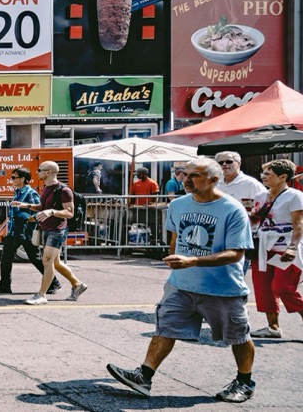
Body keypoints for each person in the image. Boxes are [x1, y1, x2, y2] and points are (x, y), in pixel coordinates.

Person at [106, 157, 257, 403]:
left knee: (237, 336)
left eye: (194, 176)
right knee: (165, 328)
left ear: (213, 180)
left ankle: (244, 381)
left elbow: (236, 253)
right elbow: (175, 240)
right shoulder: (178, 205)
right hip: (181, 284)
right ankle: (144, 376)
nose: (186, 180)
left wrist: (193, 261)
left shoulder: (232, 209)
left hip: (223, 287)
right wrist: (176, 262)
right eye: (184, 174)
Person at [247, 159, 302, 339]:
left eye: (268, 174)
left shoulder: (295, 196)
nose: (263, 177)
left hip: (284, 247)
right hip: (263, 247)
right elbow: (256, 222)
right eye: (263, 173)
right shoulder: (261, 196)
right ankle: (273, 327)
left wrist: (292, 248)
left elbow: (299, 225)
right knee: (263, 288)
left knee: (282, 287)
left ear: (283, 177)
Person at [22, 161, 87, 305]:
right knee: (55, 263)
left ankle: (41, 295)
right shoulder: (46, 188)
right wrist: (27, 206)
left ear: (49, 172)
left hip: (57, 230)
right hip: (46, 228)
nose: (37, 172)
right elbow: (43, 207)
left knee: (47, 260)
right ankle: (77, 284)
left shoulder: (64, 190)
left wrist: (52, 212)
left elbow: (69, 212)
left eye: (39, 170)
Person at [0, 167, 58, 295]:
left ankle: (53, 282)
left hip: (26, 232)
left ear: (22, 179)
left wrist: (27, 219)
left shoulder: (30, 193)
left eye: (14, 177)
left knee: (35, 258)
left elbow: (39, 211)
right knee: (6, 257)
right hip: (14, 231)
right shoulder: (17, 191)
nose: (11, 180)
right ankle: (4, 284)